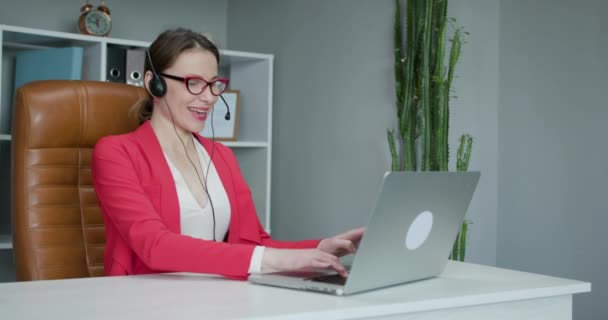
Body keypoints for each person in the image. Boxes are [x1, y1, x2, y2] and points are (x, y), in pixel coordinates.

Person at [91, 27, 364, 280]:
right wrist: (277, 260)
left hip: (222, 297)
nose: (209, 97)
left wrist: (323, 247)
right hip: (146, 302)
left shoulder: (220, 155)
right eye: (194, 83)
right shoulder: (116, 153)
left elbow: (253, 243)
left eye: (214, 84)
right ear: (154, 83)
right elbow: (155, 246)